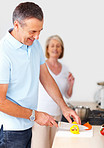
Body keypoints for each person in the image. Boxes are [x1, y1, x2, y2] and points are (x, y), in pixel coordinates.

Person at [0, 2, 81, 148]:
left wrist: (64, 107)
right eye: (32, 31)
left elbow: (46, 78)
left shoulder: (34, 45)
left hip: (27, 126)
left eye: (40, 31)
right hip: (9, 130)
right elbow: (1, 102)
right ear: (17, 25)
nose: (37, 37)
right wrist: (36, 115)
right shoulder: (3, 52)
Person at [31, 35, 75, 148]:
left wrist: (71, 84)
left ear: (61, 49)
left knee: (54, 145)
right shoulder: (41, 66)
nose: (55, 48)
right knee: (40, 145)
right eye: (52, 46)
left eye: (58, 46)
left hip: (57, 115)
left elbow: (67, 95)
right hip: (41, 114)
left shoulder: (65, 69)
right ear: (47, 49)